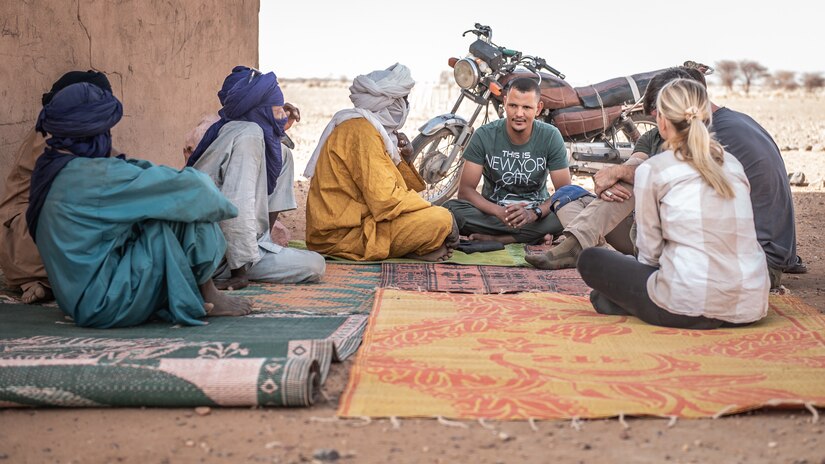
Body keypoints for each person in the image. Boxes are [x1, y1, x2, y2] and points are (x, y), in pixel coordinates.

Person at [527, 67, 804, 289]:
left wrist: (624, 175)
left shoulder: (714, 138)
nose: (659, 123)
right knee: (578, 197)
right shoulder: (732, 124)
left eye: (661, 113)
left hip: (747, 263)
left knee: (606, 270)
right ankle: (580, 244)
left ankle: (579, 246)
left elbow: (666, 221)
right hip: (744, 258)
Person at [28, 82, 251, 328]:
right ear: (97, 131)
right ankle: (208, 293)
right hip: (107, 303)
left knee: (160, 204)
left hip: (77, 300)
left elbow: (133, 174)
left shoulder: (50, 167)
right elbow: (198, 189)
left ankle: (184, 294)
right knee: (185, 209)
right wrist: (232, 211)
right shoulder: (98, 175)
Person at [577, 78, 769, 329]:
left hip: (687, 305)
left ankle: (623, 302)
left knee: (591, 260)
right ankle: (623, 301)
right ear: (707, 118)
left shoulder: (654, 169)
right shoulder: (732, 164)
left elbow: (649, 255)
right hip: (749, 305)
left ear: (662, 121)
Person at [188, 66, 325, 289]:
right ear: (259, 110)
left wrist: (278, 120)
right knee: (315, 265)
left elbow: (273, 147)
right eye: (278, 109)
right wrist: (239, 271)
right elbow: (236, 201)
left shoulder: (246, 130)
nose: (282, 115)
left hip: (242, 246)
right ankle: (238, 264)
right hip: (212, 250)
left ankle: (262, 243)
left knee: (283, 154)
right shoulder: (247, 135)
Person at [304, 63, 458, 261]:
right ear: (391, 103)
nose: (406, 106)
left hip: (362, 221)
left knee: (435, 216)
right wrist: (433, 211)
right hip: (339, 235)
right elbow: (385, 200)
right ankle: (405, 249)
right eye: (403, 100)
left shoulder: (368, 129)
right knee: (440, 219)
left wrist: (405, 158)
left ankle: (408, 248)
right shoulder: (362, 132)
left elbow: (388, 186)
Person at [0, 71, 114, 304]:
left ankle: (40, 281)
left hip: (25, 243)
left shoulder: (62, 131)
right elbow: (99, 181)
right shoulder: (57, 136)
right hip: (24, 237)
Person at [443, 77, 572, 245]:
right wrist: (499, 212)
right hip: (493, 214)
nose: (519, 114)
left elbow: (565, 191)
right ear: (505, 103)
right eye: (513, 106)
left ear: (538, 108)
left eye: (526, 107)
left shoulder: (550, 136)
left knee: (571, 211)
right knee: (450, 209)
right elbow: (466, 191)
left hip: (537, 215)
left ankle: (502, 239)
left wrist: (534, 213)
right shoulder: (484, 135)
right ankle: (533, 236)